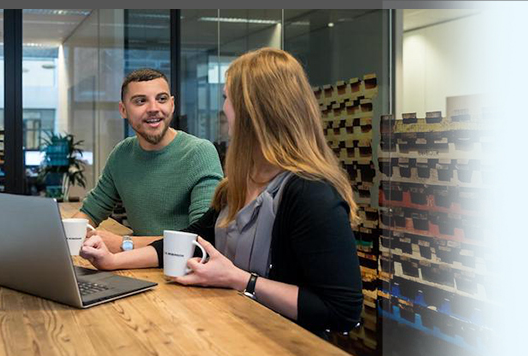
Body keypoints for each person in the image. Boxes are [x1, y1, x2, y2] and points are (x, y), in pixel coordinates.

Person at [80, 49, 363, 334]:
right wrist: (112, 261)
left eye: (228, 98)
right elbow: (189, 242)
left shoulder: (310, 193)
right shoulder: (237, 186)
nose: (223, 109)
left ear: (255, 109)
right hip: (231, 330)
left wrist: (241, 280)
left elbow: (342, 312)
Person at [73, 68, 223, 252]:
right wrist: (66, 233)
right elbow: (89, 212)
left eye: (161, 99)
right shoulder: (122, 154)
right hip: (139, 268)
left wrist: (125, 244)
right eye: (141, 101)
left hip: (186, 271)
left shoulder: (200, 153)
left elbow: (201, 240)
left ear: (172, 105)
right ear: (123, 110)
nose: (153, 108)